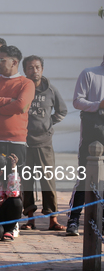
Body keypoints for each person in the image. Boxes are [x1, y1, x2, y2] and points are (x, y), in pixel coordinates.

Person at [20, 56, 67, 231]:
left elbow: (62, 111)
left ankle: (52, 219)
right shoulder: (22, 89)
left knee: (48, 182)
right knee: (27, 182)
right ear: (25, 71)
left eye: (37, 67)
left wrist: (48, 124)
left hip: (45, 143)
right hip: (25, 143)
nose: (34, 71)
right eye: (30, 68)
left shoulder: (51, 90)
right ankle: (30, 219)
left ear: (42, 69)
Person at [66, 54, 104, 236]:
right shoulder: (89, 74)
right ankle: (73, 219)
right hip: (92, 136)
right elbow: (77, 101)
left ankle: (101, 220)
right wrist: (98, 105)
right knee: (83, 178)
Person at [0, 45, 34, 168]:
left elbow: (20, 105)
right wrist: (9, 100)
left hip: (15, 142)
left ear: (14, 62)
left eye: (1, 60)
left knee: (12, 184)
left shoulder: (27, 84)